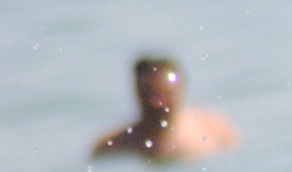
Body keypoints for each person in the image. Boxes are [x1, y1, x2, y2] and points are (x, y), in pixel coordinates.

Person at [92, 56, 239, 162]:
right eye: (149, 94)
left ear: (180, 91)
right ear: (136, 92)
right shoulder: (112, 147)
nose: (157, 104)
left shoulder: (212, 127)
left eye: (166, 94)